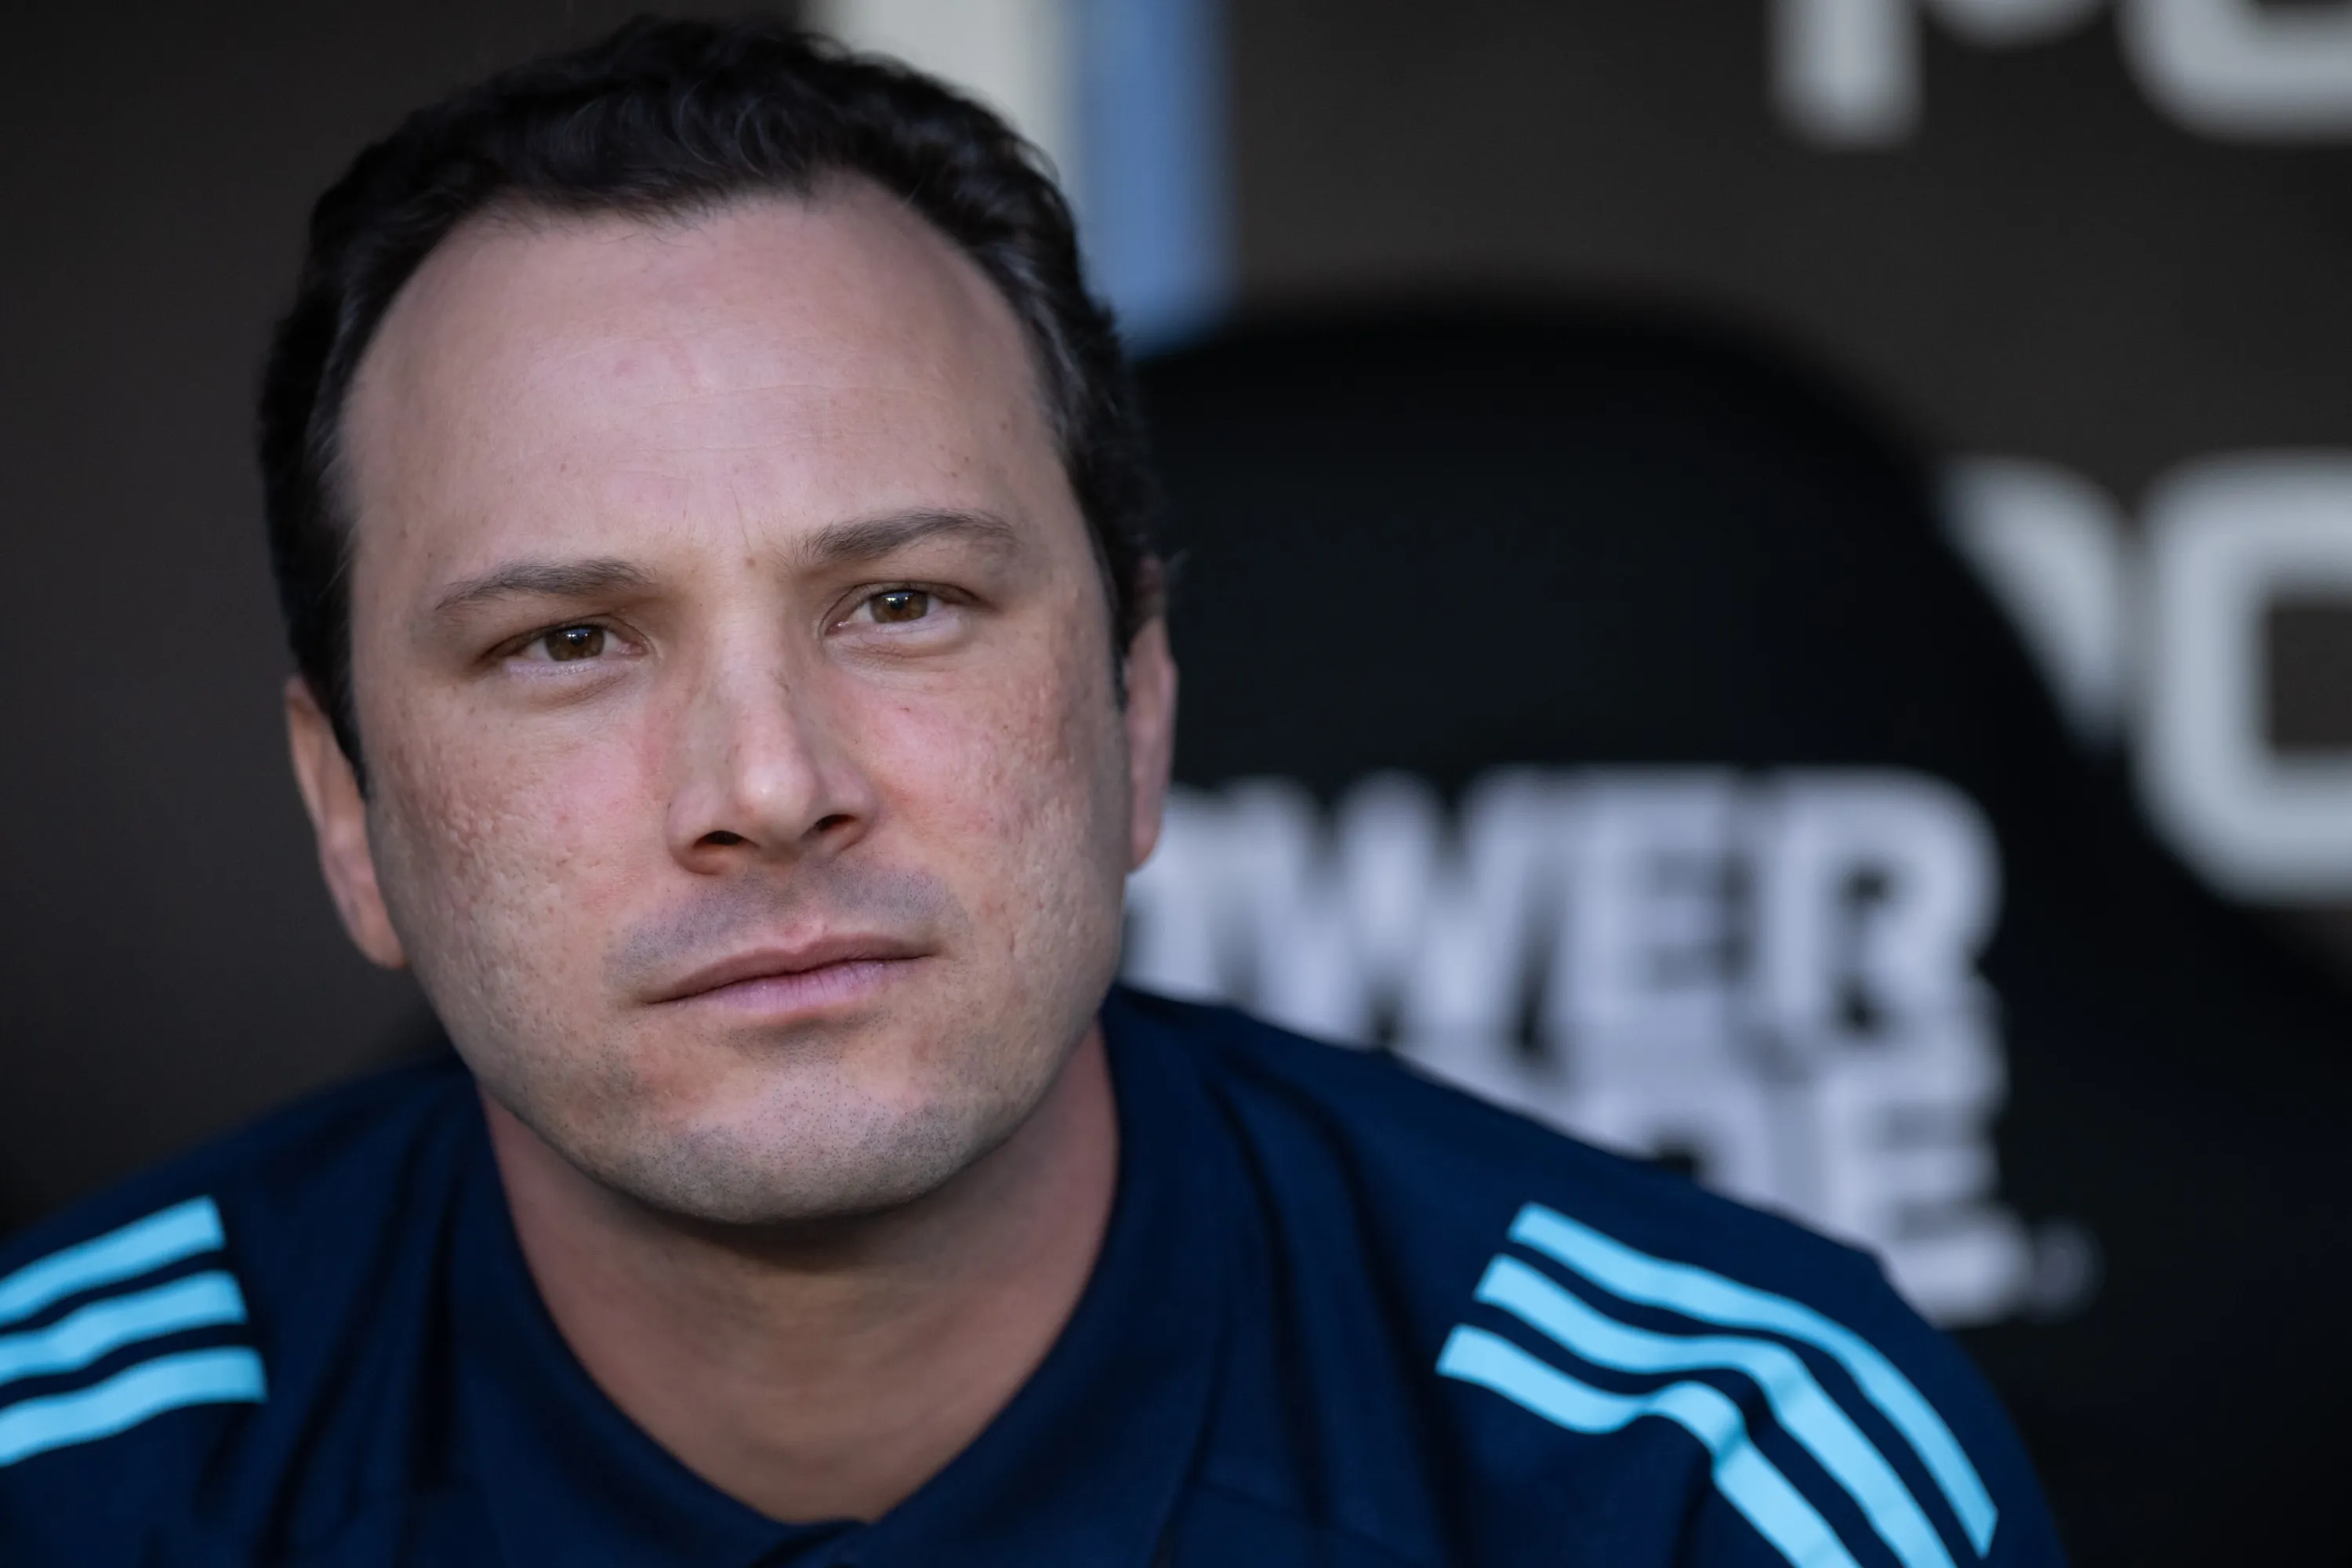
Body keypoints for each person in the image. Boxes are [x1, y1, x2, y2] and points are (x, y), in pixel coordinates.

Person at [0, 19, 2063, 1565]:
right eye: (567, 642)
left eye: (900, 600)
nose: (769, 785)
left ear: (1139, 704)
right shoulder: (67, 1472)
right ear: (347, 807)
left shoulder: (1709, 1478)